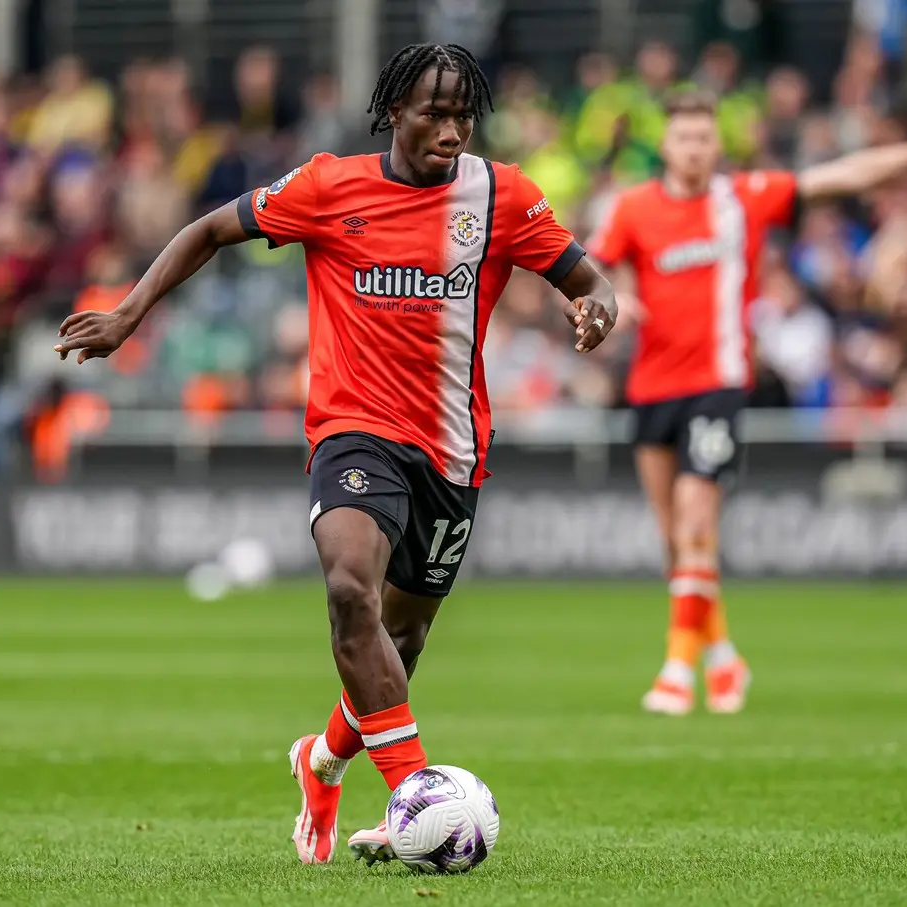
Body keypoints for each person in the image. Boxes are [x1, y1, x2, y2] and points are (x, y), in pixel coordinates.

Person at [52, 43, 617, 865]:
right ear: (395, 110)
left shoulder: (502, 196)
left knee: (401, 641)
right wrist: (130, 312)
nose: (452, 131)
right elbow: (211, 227)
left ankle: (320, 764)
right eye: (435, 113)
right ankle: (414, 796)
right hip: (353, 430)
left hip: (452, 452)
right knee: (350, 588)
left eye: (464, 116)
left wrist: (598, 310)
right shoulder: (328, 186)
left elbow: (589, 281)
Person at [588, 90, 907, 717]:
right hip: (651, 390)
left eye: (705, 137)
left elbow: (844, 174)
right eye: (685, 138)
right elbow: (588, 267)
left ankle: (678, 671)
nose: (695, 148)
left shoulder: (744, 199)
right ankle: (725, 658)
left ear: (716, 145)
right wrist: (611, 297)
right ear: (667, 146)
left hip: (719, 384)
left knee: (698, 520)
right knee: (678, 544)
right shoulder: (634, 208)